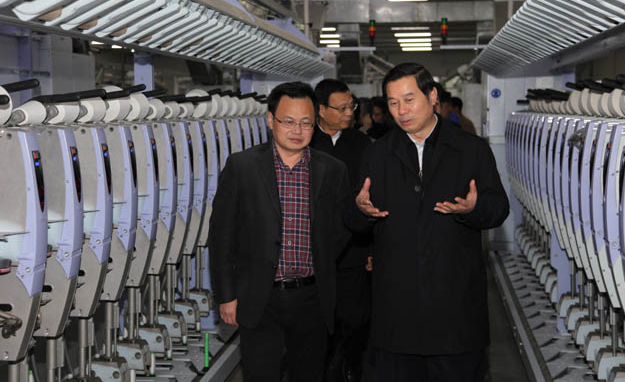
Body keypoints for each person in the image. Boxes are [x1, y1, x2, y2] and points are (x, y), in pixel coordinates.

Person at [345, 63, 509, 382]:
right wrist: (360, 210)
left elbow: (498, 208)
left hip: (455, 311)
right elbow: (351, 218)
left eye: (409, 100)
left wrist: (473, 208)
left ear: (432, 96)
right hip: (397, 313)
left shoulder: (470, 149)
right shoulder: (378, 154)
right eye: (393, 103)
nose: (401, 111)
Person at [209, 81, 351, 382]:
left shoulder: (333, 170)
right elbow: (222, 236)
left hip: (312, 299)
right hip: (260, 297)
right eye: (288, 122)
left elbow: (340, 231)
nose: (297, 130)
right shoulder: (242, 167)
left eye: (306, 123)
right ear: (271, 120)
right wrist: (226, 296)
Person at [310, 79, 372, 382]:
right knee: (320, 319)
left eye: (352, 107)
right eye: (342, 108)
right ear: (321, 110)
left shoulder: (363, 145)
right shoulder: (305, 143)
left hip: (354, 245)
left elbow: (372, 200)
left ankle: (351, 366)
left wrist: (372, 247)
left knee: (356, 316)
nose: (349, 113)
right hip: (314, 248)